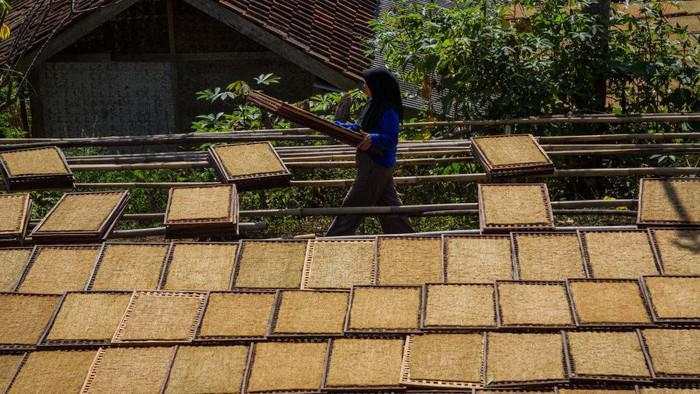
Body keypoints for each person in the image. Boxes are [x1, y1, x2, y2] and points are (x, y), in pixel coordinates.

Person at [326, 67, 414, 236]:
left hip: (376, 165)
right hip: (375, 164)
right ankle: (405, 239)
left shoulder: (388, 110)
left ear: (377, 86)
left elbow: (390, 139)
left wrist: (372, 138)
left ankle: (332, 241)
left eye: (367, 84)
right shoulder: (373, 105)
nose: (364, 86)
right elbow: (360, 129)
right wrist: (338, 125)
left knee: (352, 207)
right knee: (391, 210)